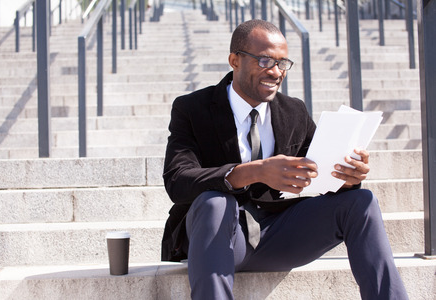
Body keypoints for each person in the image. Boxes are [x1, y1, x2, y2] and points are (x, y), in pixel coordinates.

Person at [161, 19, 408, 300]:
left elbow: (317, 177)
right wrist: (253, 172)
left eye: (283, 63)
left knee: (361, 202)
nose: (276, 72)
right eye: (265, 60)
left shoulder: (294, 111)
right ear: (235, 60)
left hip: (280, 236)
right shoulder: (192, 108)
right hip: (221, 238)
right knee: (214, 201)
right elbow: (178, 181)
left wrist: (347, 177)